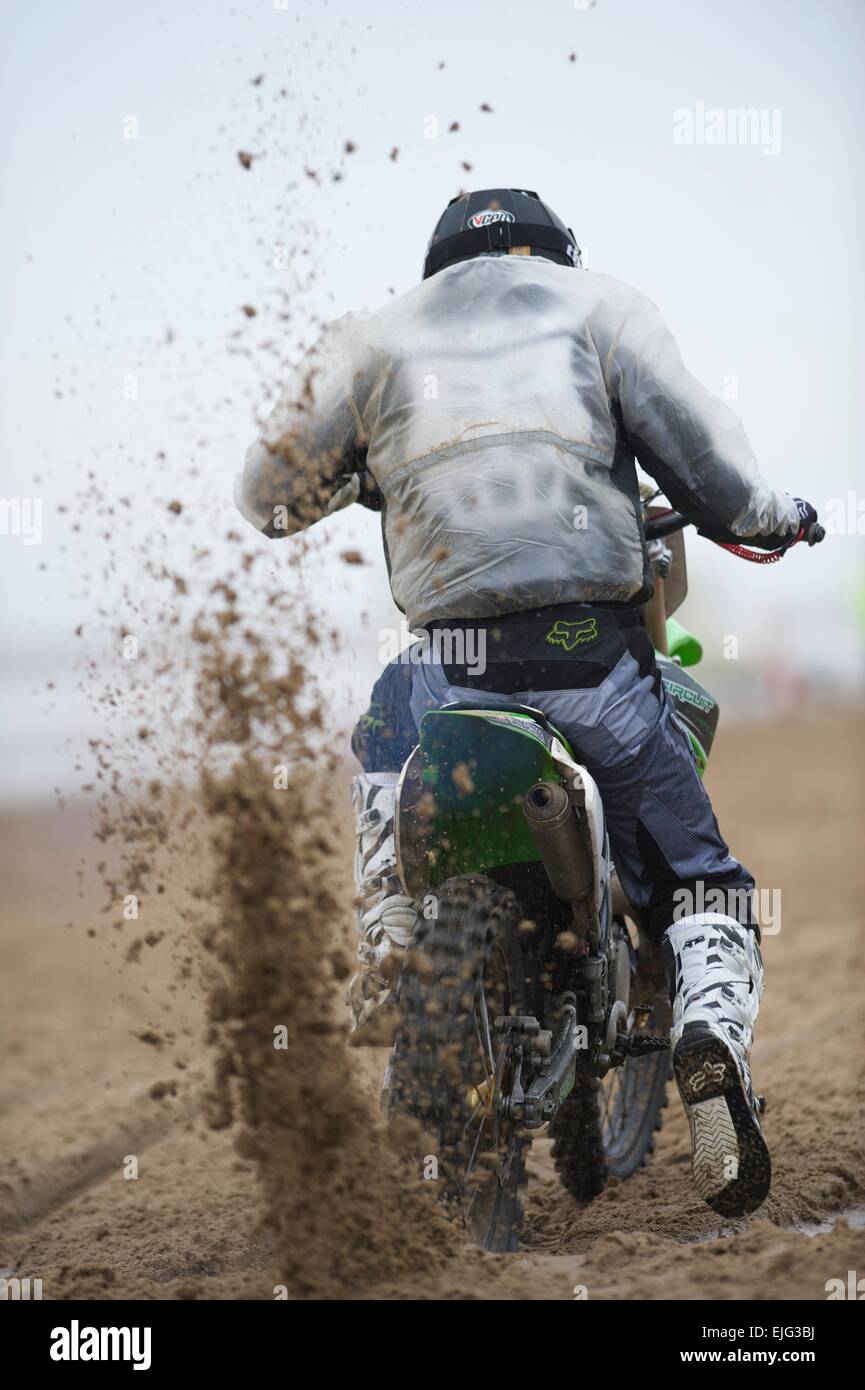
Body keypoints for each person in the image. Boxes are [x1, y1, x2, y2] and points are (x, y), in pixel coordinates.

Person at [236, 187, 818, 1218]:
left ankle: (389, 935)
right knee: (702, 884)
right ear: (555, 253)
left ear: (436, 267)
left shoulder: (373, 341)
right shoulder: (601, 306)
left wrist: (371, 476)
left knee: (380, 735)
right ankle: (705, 1042)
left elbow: (270, 495)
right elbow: (713, 475)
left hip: (439, 676)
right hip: (586, 656)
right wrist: (780, 516)